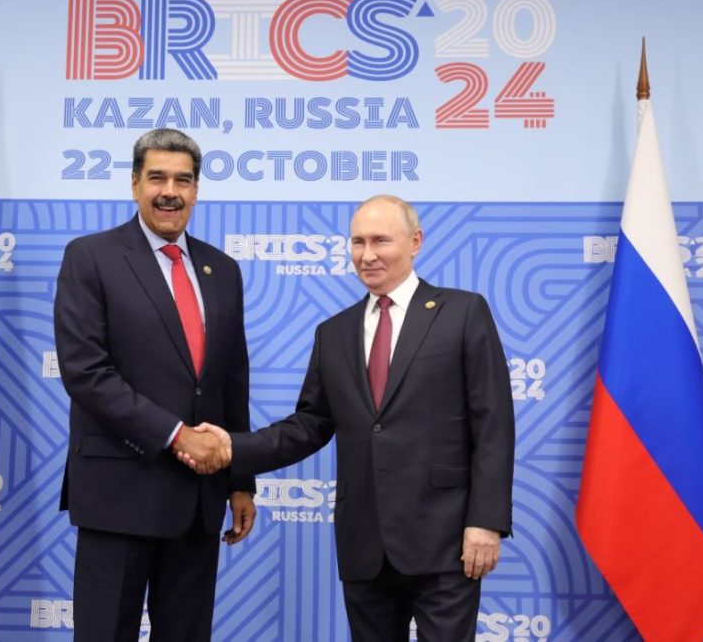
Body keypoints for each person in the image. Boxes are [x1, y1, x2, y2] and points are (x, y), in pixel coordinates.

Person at [180, 195, 515, 641]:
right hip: (364, 546)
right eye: (357, 242)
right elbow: (309, 426)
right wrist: (232, 448)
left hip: (447, 541)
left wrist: (486, 521)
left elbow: (493, 423)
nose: (367, 254)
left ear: (415, 242)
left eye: (381, 240)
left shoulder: (462, 312)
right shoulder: (333, 332)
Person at [54, 128, 256, 641]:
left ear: (196, 189)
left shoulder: (222, 269)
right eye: (158, 177)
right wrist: (176, 434)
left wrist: (239, 481)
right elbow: (85, 371)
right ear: (134, 184)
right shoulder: (91, 257)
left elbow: (232, 379)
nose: (171, 191)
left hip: (198, 500)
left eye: (183, 180)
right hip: (119, 493)